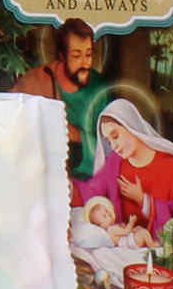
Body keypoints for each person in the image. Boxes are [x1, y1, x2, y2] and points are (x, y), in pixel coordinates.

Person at [72, 98, 173, 243]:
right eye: (108, 141)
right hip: (125, 246)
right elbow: (92, 192)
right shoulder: (115, 162)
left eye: (115, 136)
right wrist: (69, 186)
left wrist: (144, 200)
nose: (113, 146)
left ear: (131, 126)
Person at [12, 18, 110, 178]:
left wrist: (75, 135)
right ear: (62, 57)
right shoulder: (37, 80)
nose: (85, 63)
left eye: (89, 54)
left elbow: (109, 146)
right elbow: (12, 123)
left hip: (87, 180)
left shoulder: (100, 89)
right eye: (76, 56)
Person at [83, 195, 157, 249]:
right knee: (143, 232)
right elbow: (126, 231)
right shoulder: (111, 230)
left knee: (138, 228)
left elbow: (124, 232)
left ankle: (149, 242)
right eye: (104, 216)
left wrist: (124, 226)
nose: (108, 214)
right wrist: (131, 222)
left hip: (129, 239)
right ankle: (152, 245)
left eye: (107, 211)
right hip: (129, 243)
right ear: (100, 225)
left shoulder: (113, 227)